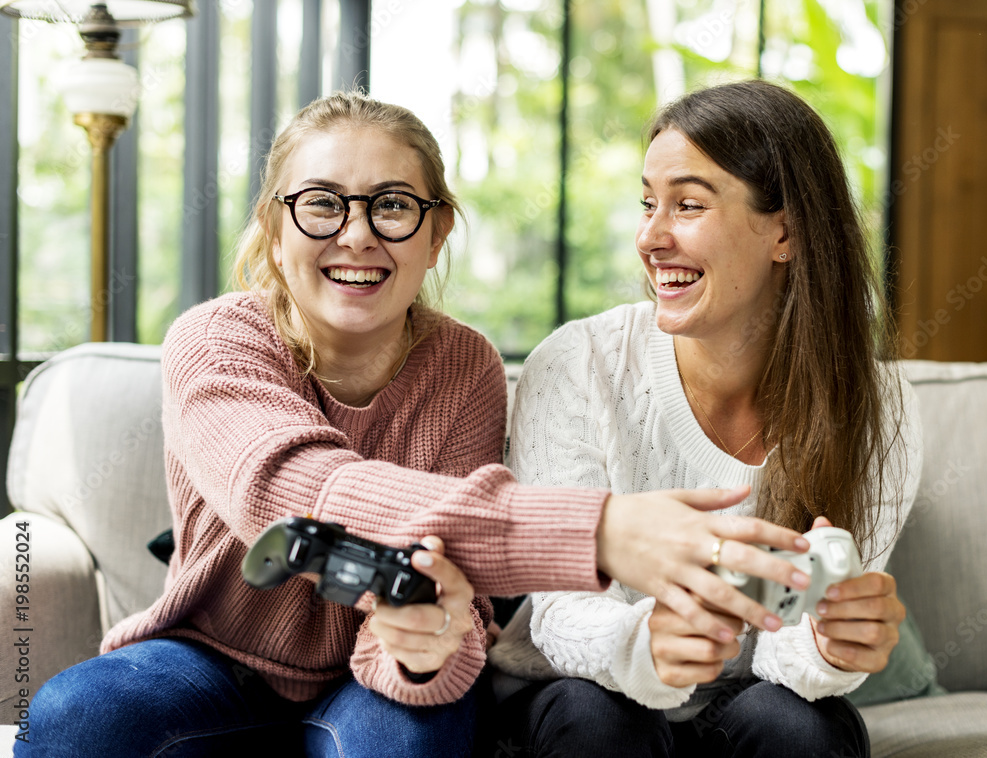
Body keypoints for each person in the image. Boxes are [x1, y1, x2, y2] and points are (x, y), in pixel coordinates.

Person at [18, 91, 814, 758]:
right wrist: (597, 532)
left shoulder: (464, 367)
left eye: (393, 206)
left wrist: (420, 649)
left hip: (373, 676)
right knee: (78, 717)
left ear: (437, 234)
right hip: (211, 659)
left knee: (408, 739)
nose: (357, 233)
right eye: (322, 203)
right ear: (273, 226)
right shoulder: (218, 340)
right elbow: (293, 489)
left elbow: (456, 596)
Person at [487, 79, 923, 758]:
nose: (649, 237)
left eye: (687, 205)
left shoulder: (874, 412)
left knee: (803, 730)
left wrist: (835, 646)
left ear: (786, 232)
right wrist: (648, 644)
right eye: (647, 204)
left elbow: (795, 657)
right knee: (601, 720)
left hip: (749, 701)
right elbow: (561, 616)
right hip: (579, 690)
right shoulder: (581, 363)